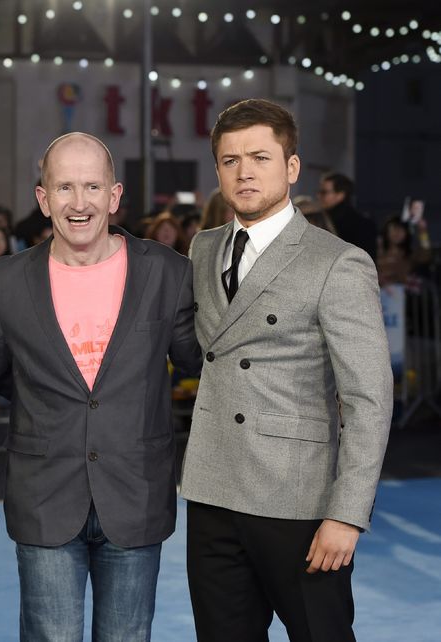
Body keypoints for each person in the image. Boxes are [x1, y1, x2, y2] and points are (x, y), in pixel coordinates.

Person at [181, 98, 392, 641]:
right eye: (230, 160)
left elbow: (369, 398)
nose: (244, 171)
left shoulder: (337, 262)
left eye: (260, 157)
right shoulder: (203, 248)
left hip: (298, 499)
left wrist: (347, 514)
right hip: (212, 491)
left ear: (292, 168)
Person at [0, 132, 201, 641]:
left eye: (92, 187)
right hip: (44, 496)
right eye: (63, 188)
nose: (79, 204)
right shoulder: (4, 281)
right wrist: (49, 411)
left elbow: (198, 360)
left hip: (137, 495)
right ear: (43, 199)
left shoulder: (167, 272)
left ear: (115, 195)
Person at [318, 171, 378, 260]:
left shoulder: (361, 225)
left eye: (324, 192)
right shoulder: (323, 219)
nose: (318, 196)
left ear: (340, 195)